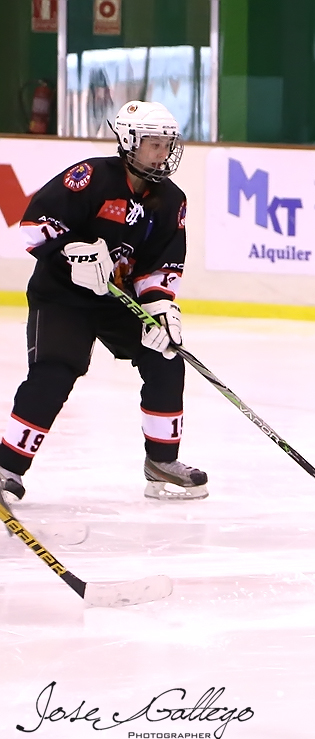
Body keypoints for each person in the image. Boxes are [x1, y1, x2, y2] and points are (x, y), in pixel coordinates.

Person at [0, 100, 207, 509]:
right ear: (129, 142)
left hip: (118, 298)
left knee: (164, 354)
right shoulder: (90, 177)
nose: (163, 153)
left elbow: (159, 264)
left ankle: (162, 462)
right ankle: (7, 467)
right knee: (55, 371)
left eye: (167, 144)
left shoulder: (171, 199)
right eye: (153, 144)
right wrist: (72, 254)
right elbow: (34, 227)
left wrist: (161, 307)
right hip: (62, 296)